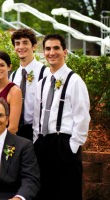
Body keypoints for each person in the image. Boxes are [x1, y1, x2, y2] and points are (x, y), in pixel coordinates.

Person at [33, 34, 90, 200]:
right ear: (44, 53)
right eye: (48, 49)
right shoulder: (41, 83)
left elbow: (82, 118)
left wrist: (73, 146)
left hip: (64, 144)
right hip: (43, 144)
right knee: (44, 193)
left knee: (67, 193)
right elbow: (37, 116)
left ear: (65, 51)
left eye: (56, 48)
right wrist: (37, 140)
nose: (52, 52)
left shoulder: (75, 81)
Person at [9, 28, 49, 141]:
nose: (21, 47)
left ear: (34, 46)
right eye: (17, 43)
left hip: (38, 131)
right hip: (16, 131)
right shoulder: (13, 76)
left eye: (25, 42)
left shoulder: (45, 73)